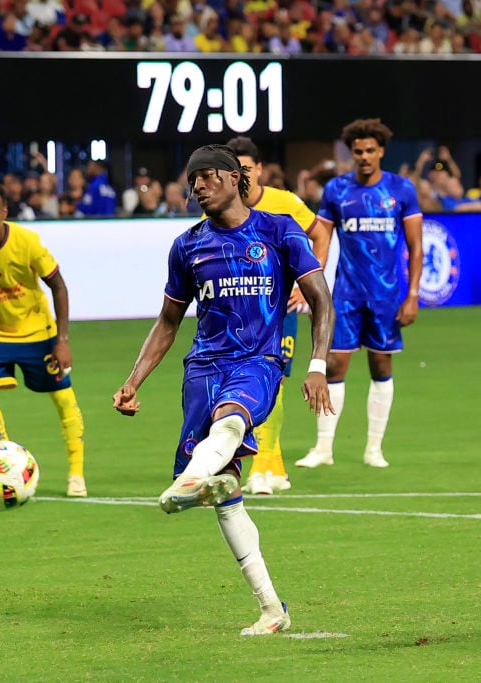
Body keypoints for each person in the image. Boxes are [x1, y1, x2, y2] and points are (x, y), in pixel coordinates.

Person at [112, 144, 333, 636]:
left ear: (236, 178)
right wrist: (132, 380)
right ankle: (272, 609)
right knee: (227, 497)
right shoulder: (187, 245)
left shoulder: (277, 231)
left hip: (259, 361)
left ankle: (186, 481)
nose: (198, 186)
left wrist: (316, 364)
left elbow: (321, 300)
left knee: (232, 419)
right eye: (193, 180)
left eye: (208, 176)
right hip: (201, 372)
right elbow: (168, 321)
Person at [295, 118, 423, 470]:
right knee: (334, 364)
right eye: (358, 151)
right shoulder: (337, 189)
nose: (364, 156)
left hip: (385, 295)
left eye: (370, 150)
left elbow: (416, 246)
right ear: (350, 153)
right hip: (346, 293)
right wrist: (310, 284)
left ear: (381, 151)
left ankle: (374, 448)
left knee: (381, 363)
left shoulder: (401, 189)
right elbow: (321, 240)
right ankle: (323, 448)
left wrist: (412, 296)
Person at [0, 183, 87, 497]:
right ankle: (7, 465)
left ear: (4, 212)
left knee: (64, 399)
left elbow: (59, 287)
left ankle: (76, 474)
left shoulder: (27, 242)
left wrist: (62, 339)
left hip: (38, 333)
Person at [225, 136, 333, 496]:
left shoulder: (284, 203)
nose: (243, 176)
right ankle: (272, 465)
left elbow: (320, 234)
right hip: (238, 312)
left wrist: (306, 283)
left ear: (260, 170)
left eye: (248, 169)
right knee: (237, 384)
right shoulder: (221, 208)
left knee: (274, 382)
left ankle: (263, 464)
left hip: (278, 309)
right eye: (235, 170)